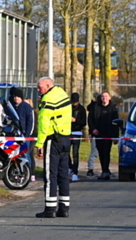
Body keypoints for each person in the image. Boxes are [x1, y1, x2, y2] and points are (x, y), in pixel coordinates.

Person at [35, 77, 72, 218]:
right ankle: (64, 208)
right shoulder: (62, 93)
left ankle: (50, 209)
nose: (39, 90)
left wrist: (40, 144)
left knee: (50, 175)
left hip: (53, 139)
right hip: (65, 138)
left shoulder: (48, 99)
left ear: (48, 85)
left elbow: (44, 123)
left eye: (40, 87)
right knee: (63, 174)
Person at [89, 90, 119, 180]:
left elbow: (116, 123)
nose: (104, 98)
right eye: (103, 96)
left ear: (109, 98)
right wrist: (93, 129)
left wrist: (115, 136)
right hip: (98, 134)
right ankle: (104, 170)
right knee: (101, 152)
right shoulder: (96, 107)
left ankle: (106, 171)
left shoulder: (113, 108)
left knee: (106, 152)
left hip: (108, 134)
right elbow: (90, 119)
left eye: (106, 96)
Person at [10, 87, 36, 182]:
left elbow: (30, 122)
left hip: (24, 135)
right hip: (14, 135)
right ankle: (17, 173)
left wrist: (27, 135)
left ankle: (29, 173)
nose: (16, 98)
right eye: (15, 96)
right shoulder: (12, 106)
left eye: (18, 96)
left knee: (25, 154)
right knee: (15, 155)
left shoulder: (26, 107)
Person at [69, 92, 87, 182]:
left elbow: (84, 122)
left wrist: (75, 120)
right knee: (65, 151)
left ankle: (75, 172)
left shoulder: (81, 109)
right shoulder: (68, 107)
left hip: (77, 132)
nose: (74, 103)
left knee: (75, 153)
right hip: (67, 132)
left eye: (75, 102)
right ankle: (70, 167)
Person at [85, 93, 100, 177]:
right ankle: (90, 169)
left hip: (101, 133)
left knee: (96, 152)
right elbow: (90, 120)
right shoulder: (94, 108)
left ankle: (104, 169)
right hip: (95, 134)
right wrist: (93, 129)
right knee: (94, 151)